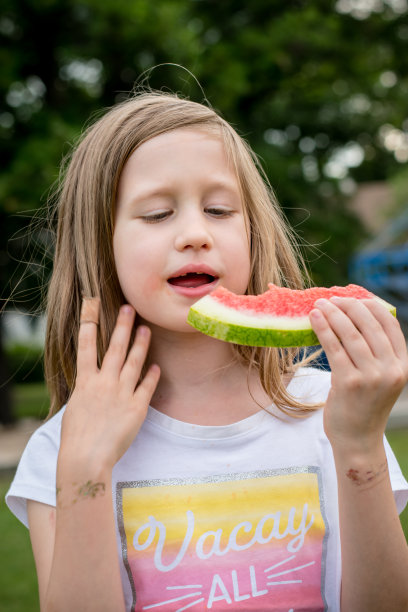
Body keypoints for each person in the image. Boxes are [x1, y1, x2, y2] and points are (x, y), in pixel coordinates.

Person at [6, 90, 408, 612]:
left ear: (252, 232)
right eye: (156, 214)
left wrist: (358, 446)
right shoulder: (61, 447)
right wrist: (84, 467)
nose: (195, 233)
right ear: (99, 244)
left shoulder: (333, 413)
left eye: (219, 209)